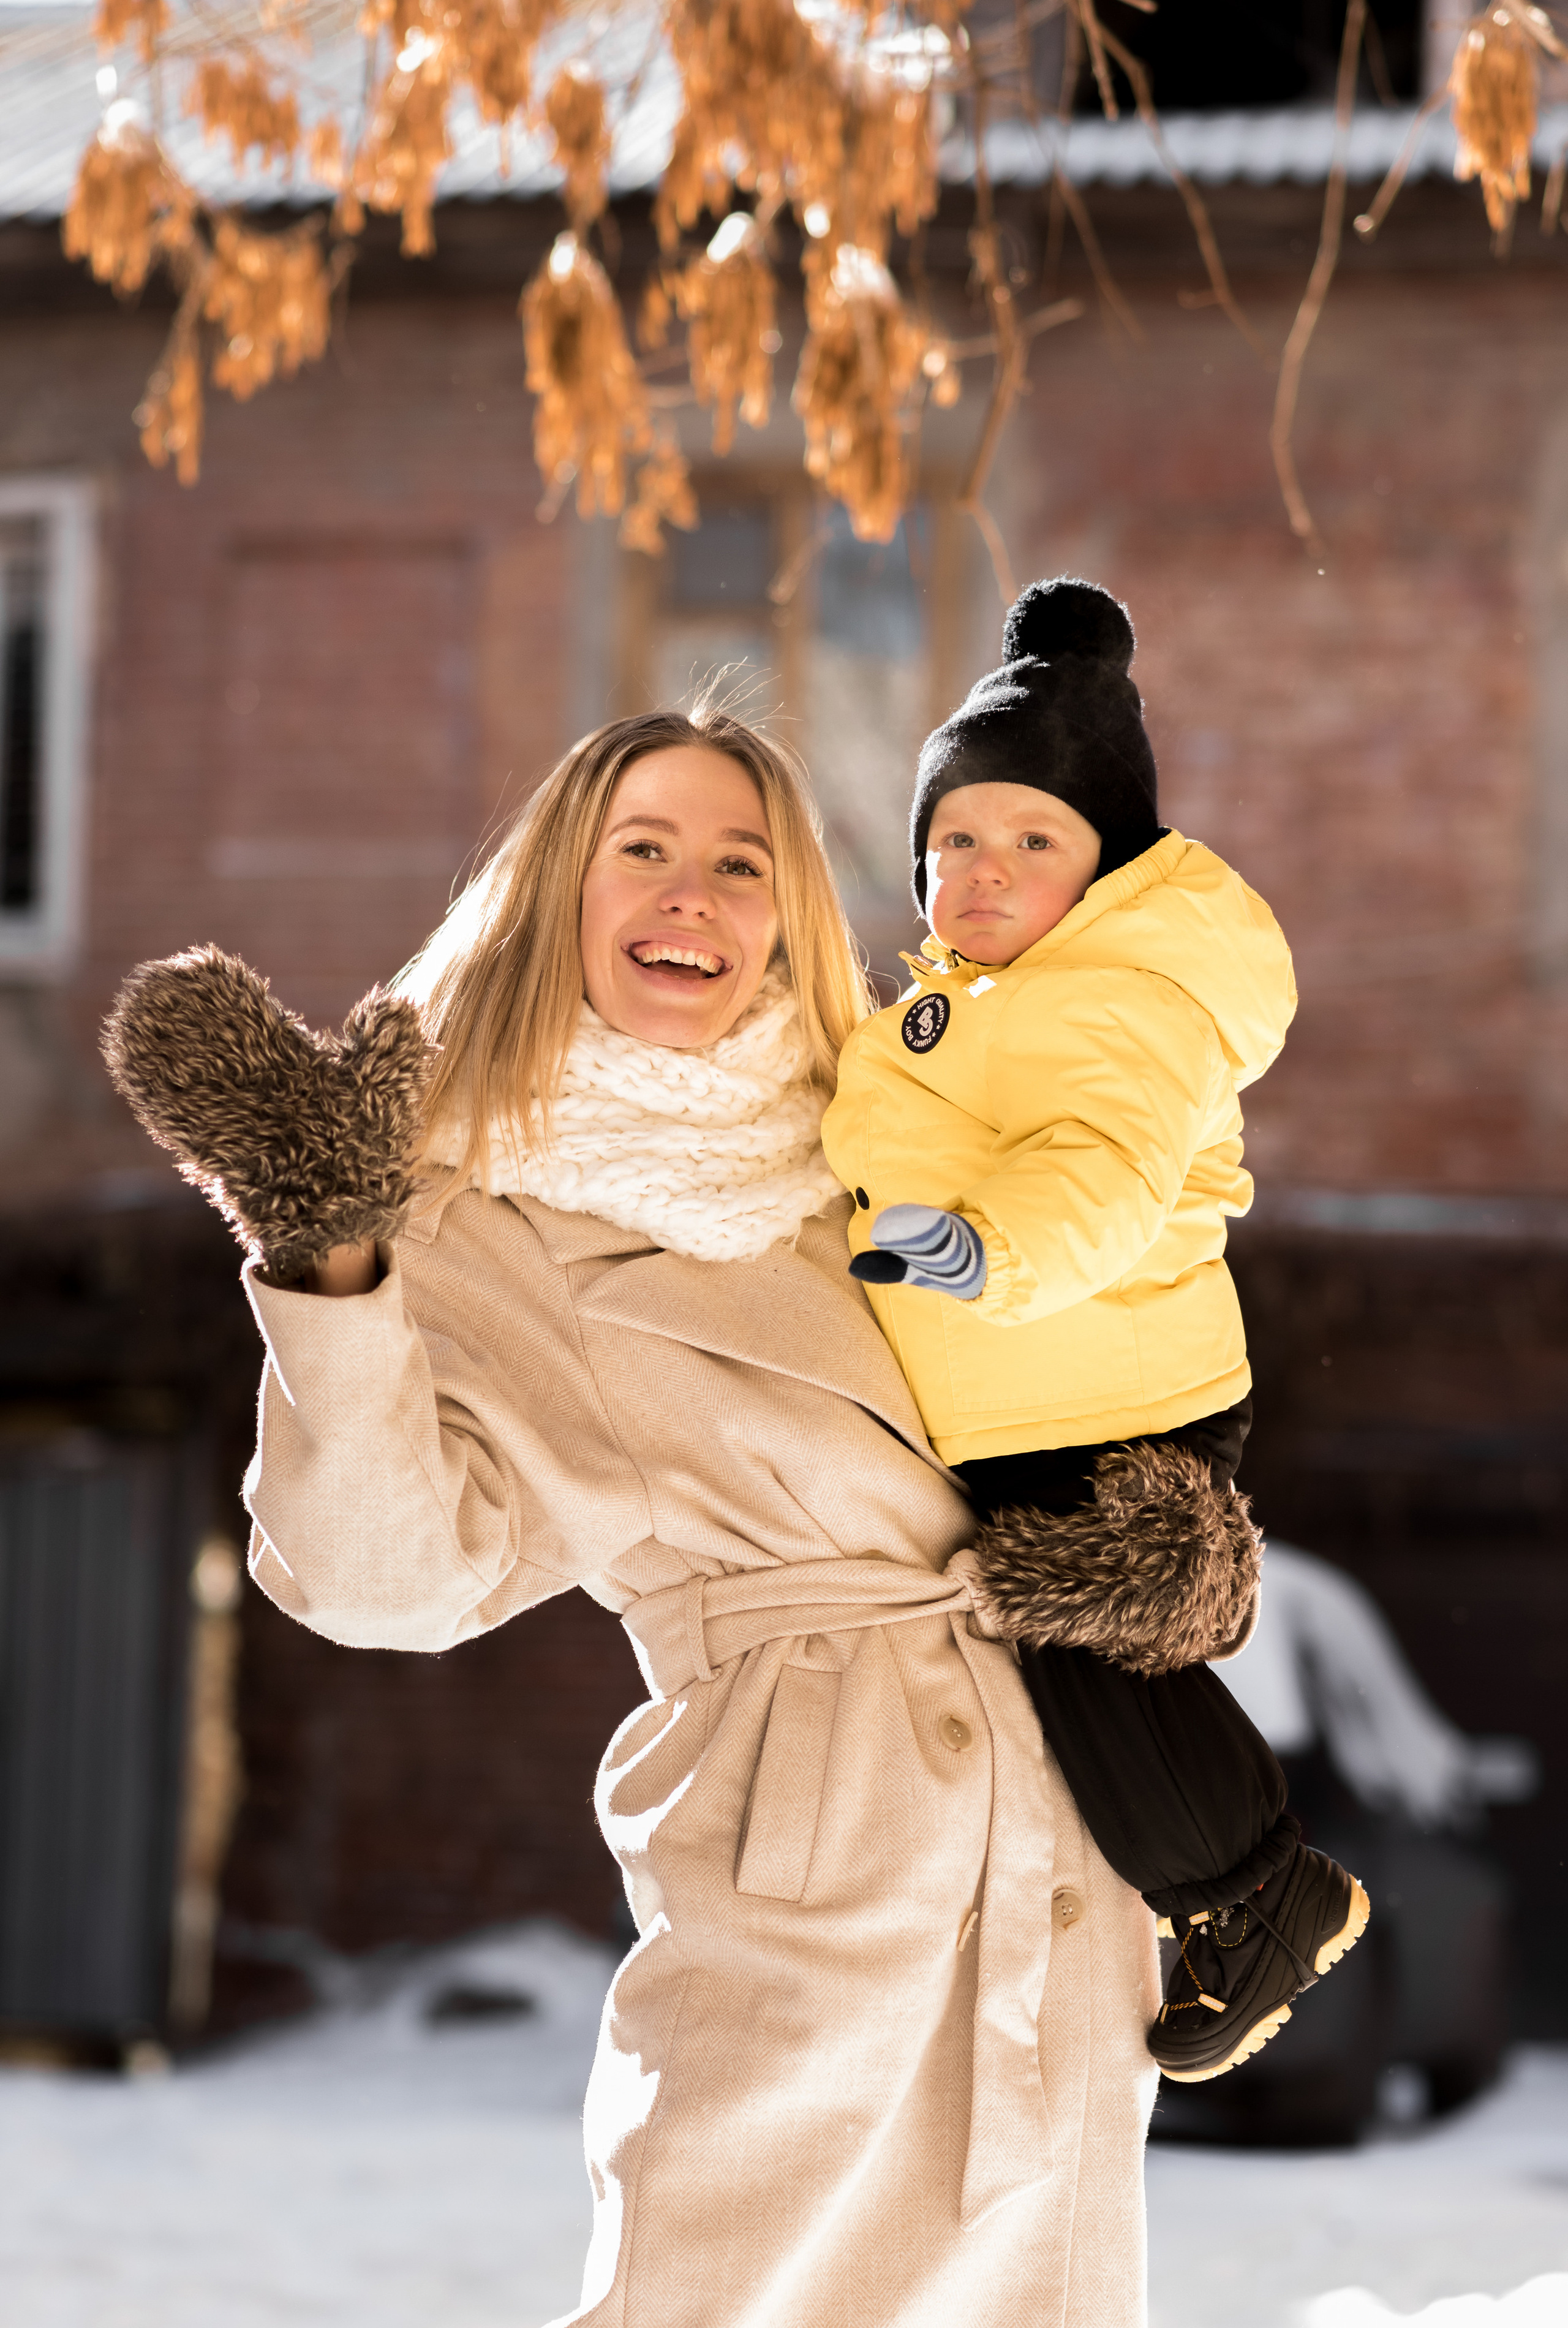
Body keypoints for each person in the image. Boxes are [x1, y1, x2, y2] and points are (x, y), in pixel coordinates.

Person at [102, 705, 1161, 2327]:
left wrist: (1152, 1537)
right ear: (556, 899)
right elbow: (384, 1578)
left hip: (1055, 1829)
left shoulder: (890, 1148)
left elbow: (1090, 1378)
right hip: (819, 1855)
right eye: (643, 851)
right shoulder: (480, 1207)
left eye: (742, 864)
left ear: (789, 919)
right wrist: (330, 1263)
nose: (694, 894)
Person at [821, 580, 1370, 2084]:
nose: (980, 870)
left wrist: (981, 1247)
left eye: (1029, 840)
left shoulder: (1115, 998)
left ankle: (1257, 1894)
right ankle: (1238, 1890)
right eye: (953, 842)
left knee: (1089, 1656)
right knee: (1073, 1659)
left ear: (1106, 861)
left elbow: (1104, 1176)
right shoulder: (976, 999)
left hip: (1101, 1386)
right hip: (1036, 1389)